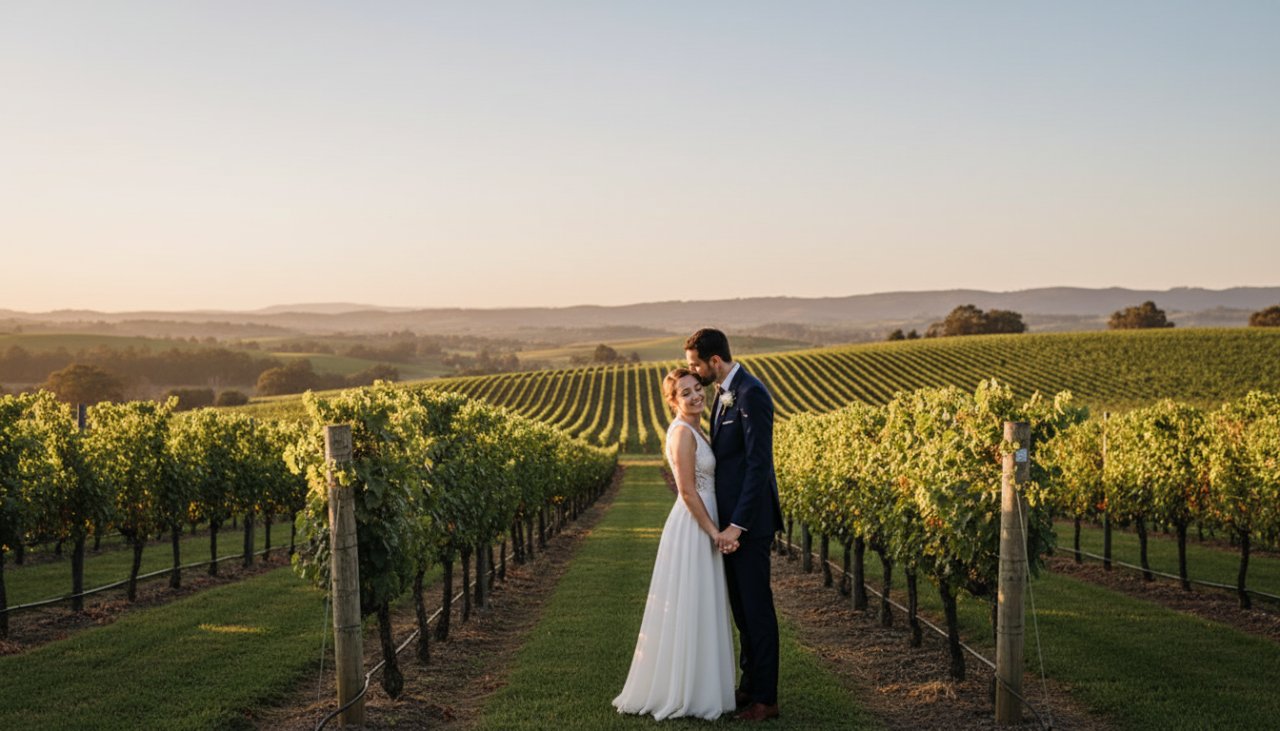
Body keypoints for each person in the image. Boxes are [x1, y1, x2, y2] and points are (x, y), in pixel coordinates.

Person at [612, 368, 737, 721]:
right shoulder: (682, 432)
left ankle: (703, 686)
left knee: (702, 602)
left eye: (698, 388)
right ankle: (684, 691)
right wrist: (714, 531)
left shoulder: (697, 428)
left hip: (704, 518)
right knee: (690, 602)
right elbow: (685, 489)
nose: (696, 395)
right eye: (685, 392)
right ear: (672, 401)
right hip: (695, 524)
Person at [685, 327, 783, 722]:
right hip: (730, 526)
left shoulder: (751, 393)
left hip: (750, 525)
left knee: (757, 609)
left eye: (695, 364)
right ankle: (749, 684)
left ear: (714, 361)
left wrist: (737, 526)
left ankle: (766, 698)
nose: (692, 371)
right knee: (741, 608)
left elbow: (759, 466)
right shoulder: (728, 394)